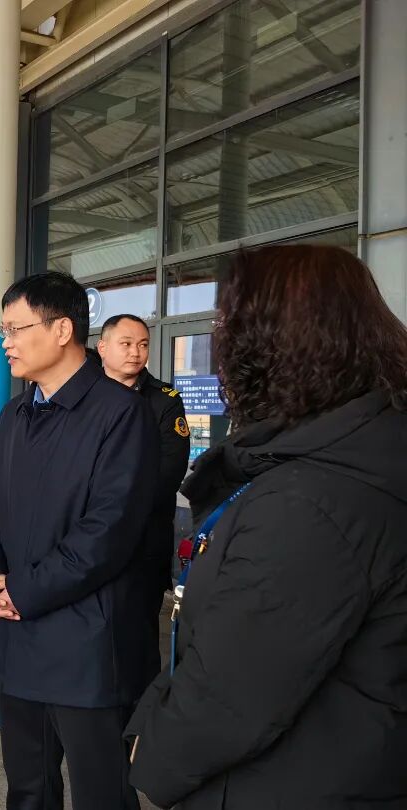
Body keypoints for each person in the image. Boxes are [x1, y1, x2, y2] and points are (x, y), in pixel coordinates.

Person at [126, 245, 407, 809]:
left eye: (228, 323)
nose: (220, 341)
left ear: (276, 342)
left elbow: (231, 693)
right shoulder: (357, 451)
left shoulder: (311, 502)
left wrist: (150, 752)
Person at [0, 272, 159, 810]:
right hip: (17, 638)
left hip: (88, 648)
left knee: (102, 794)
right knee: (27, 789)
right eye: (3, 330)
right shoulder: (14, 415)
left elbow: (107, 534)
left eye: (15, 329)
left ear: (61, 330)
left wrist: (22, 591)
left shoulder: (122, 414)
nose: (5, 342)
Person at [97, 314, 190, 681]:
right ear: (102, 347)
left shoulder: (165, 401)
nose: (135, 352)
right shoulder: (83, 395)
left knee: (139, 638)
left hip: (143, 542)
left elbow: (167, 472)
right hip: (87, 542)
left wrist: (108, 510)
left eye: (143, 345)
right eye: (126, 343)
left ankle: (140, 711)